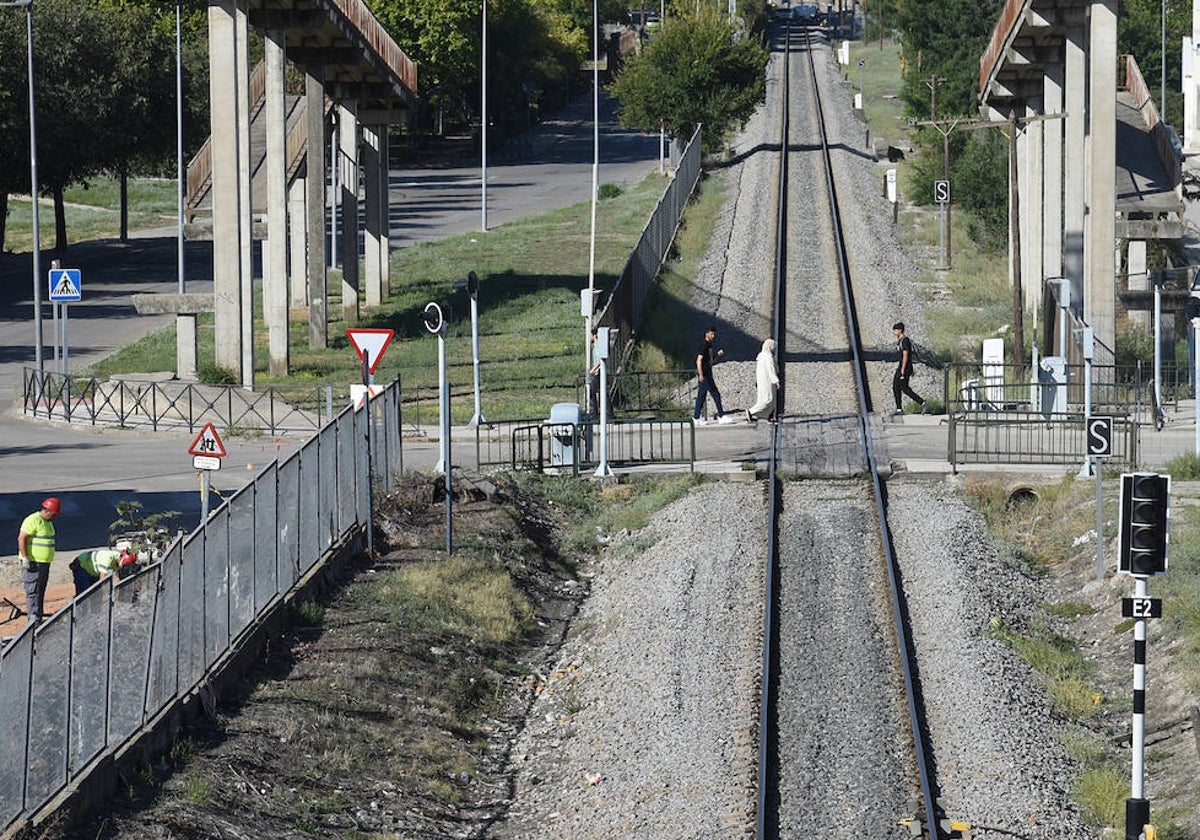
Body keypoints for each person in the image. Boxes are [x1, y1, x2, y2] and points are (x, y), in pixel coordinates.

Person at [17, 497, 61, 626]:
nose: (55, 517)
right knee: (33, 591)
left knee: (40, 591)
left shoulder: (47, 522)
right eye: (54, 514)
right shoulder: (32, 520)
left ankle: (38, 619)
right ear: (47, 511)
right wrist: (25, 558)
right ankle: (33, 623)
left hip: (44, 564)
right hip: (33, 563)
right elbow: (21, 538)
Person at [693, 325, 729, 424]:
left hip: (707, 373)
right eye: (712, 334)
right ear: (707, 334)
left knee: (701, 396)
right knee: (715, 394)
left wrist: (718, 355)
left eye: (714, 334)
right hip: (705, 375)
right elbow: (698, 360)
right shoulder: (704, 345)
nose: (713, 336)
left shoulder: (709, 346)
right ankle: (721, 416)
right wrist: (701, 374)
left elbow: (711, 361)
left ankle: (696, 418)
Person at [891, 322, 928, 416]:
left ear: (900, 330)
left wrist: (903, 370)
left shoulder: (905, 340)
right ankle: (899, 409)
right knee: (896, 387)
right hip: (901, 366)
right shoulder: (900, 341)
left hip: (905, 367)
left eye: (895, 330)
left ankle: (923, 403)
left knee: (905, 388)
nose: (894, 332)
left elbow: (905, 355)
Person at [69, 548, 137, 595]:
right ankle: (80, 614)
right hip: (82, 566)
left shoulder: (117, 561)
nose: (123, 567)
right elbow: (102, 579)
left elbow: (117, 577)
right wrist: (106, 594)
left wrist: (116, 590)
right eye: (124, 564)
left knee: (95, 595)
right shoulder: (107, 558)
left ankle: (95, 614)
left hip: (93, 571)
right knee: (83, 595)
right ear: (121, 559)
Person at [747, 338, 780, 421]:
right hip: (767, 381)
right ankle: (751, 412)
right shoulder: (768, 357)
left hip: (762, 381)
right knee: (768, 399)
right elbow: (771, 370)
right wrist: (776, 381)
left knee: (763, 399)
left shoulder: (761, 356)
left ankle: (764, 416)